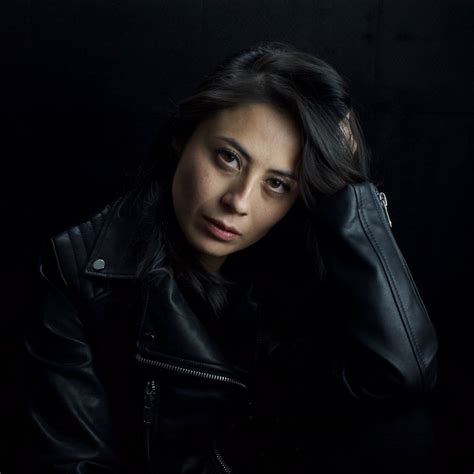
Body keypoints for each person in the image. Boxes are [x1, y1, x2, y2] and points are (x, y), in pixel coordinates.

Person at [24, 41, 439, 474]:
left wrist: (352, 197)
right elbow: (71, 463)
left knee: (403, 425)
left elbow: (402, 373)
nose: (239, 201)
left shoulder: (300, 270)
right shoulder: (80, 271)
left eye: (277, 184)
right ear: (183, 138)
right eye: (228, 158)